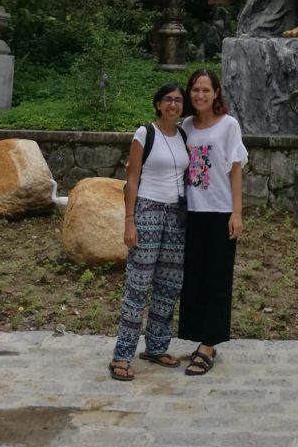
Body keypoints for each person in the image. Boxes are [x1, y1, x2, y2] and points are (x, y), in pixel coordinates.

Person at [109, 82, 189, 381]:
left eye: (178, 100)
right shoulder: (145, 134)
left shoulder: (183, 135)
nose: (173, 104)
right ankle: (122, 356)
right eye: (167, 99)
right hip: (148, 211)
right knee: (138, 286)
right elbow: (131, 179)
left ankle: (155, 347)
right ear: (158, 104)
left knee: (168, 286)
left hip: (176, 217)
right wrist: (129, 220)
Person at [178, 68, 248, 375]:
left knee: (218, 278)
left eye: (206, 90)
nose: (200, 95)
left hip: (220, 212)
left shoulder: (228, 126)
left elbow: (235, 170)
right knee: (194, 277)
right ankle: (198, 337)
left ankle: (209, 344)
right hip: (192, 212)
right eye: (195, 90)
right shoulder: (185, 126)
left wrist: (237, 212)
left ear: (216, 92)